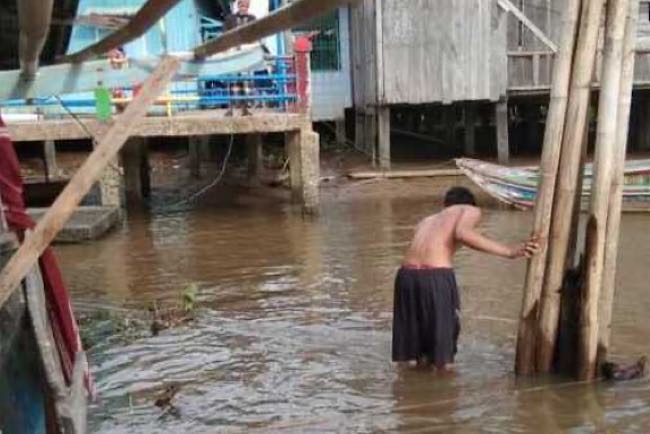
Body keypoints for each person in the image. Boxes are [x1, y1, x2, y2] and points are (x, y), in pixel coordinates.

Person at [392, 186, 539, 371]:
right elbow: (462, 234)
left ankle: (413, 388)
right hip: (435, 276)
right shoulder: (469, 209)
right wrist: (509, 251)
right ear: (471, 203)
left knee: (416, 348)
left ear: (444, 205)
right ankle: (446, 394)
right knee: (443, 350)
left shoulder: (426, 221)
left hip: (406, 276)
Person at [224, 0, 257, 116]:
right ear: (238, 6)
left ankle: (245, 109)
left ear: (248, 7)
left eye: (246, 6)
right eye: (242, 6)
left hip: (246, 54)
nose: (243, 8)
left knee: (246, 82)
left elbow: (255, 35)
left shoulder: (252, 19)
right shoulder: (230, 19)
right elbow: (225, 35)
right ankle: (230, 108)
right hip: (233, 53)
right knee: (232, 82)